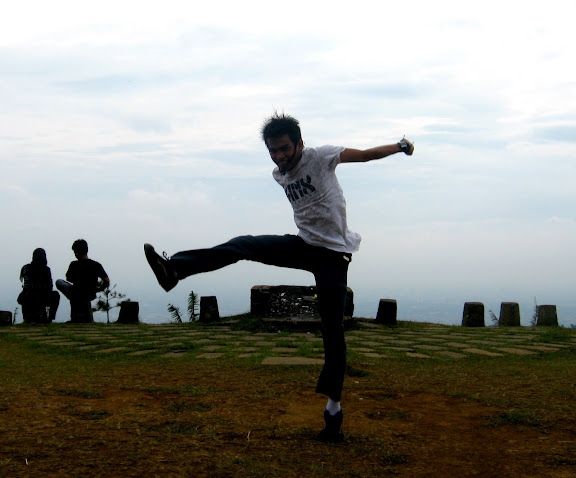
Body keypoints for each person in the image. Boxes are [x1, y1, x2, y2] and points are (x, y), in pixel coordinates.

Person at [144, 112, 414, 442]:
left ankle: (333, 412)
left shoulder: (321, 156)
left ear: (300, 143)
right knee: (243, 244)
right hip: (304, 246)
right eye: (273, 151)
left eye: (285, 148)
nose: (280, 156)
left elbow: (367, 155)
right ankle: (175, 270)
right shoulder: (278, 174)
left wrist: (400, 146)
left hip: (334, 257)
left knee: (333, 331)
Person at [56, 239, 110, 305]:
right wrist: (98, 289)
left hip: (76, 294)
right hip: (90, 295)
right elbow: (107, 280)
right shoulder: (96, 265)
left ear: (77, 251)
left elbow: (68, 278)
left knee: (59, 281)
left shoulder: (74, 264)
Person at [18, 248, 60, 323]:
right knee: (55, 295)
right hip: (43, 297)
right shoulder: (46, 269)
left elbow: (26, 286)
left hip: (29, 296)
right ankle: (50, 317)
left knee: (24, 295)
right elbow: (50, 286)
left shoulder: (26, 268)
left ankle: (26, 317)